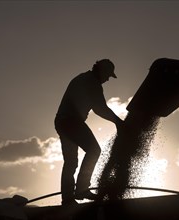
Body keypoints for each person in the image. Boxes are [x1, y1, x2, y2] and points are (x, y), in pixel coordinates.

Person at [54, 59, 123, 205]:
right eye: (107, 75)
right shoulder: (92, 83)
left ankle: (67, 199)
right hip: (71, 121)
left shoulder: (82, 78)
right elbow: (100, 108)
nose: (107, 79)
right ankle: (82, 189)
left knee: (71, 162)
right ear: (101, 71)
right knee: (94, 150)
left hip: (62, 122)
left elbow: (98, 108)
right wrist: (118, 122)